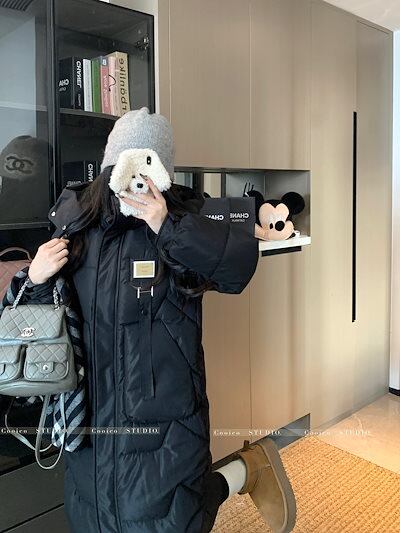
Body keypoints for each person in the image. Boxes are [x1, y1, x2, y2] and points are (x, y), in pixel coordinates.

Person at [22, 107, 296, 532]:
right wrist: (36, 278)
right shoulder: (76, 225)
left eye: (147, 168)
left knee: (173, 515)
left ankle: (247, 469)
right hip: (89, 417)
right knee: (96, 517)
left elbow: (236, 268)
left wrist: (167, 226)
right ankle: (248, 469)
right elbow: (43, 319)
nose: (135, 182)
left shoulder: (184, 221)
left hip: (164, 413)